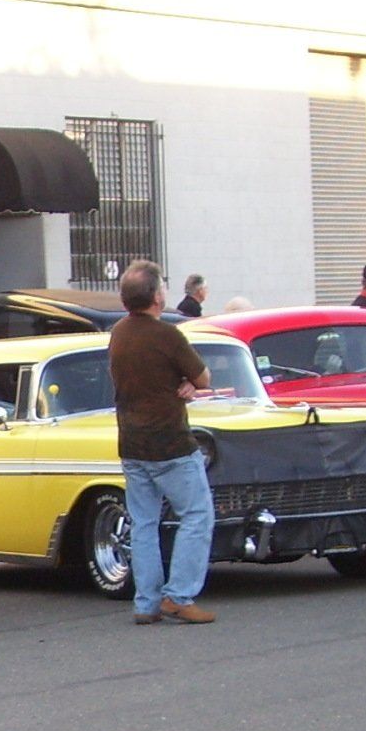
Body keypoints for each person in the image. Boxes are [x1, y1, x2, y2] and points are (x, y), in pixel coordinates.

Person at [110, 260, 216, 624]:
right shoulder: (167, 335)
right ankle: (180, 595)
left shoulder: (119, 333)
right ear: (156, 296)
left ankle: (146, 602)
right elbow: (203, 376)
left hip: (131, 442)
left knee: (143, 523)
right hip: (170, 442)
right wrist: (188, 383)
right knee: (197, 515)